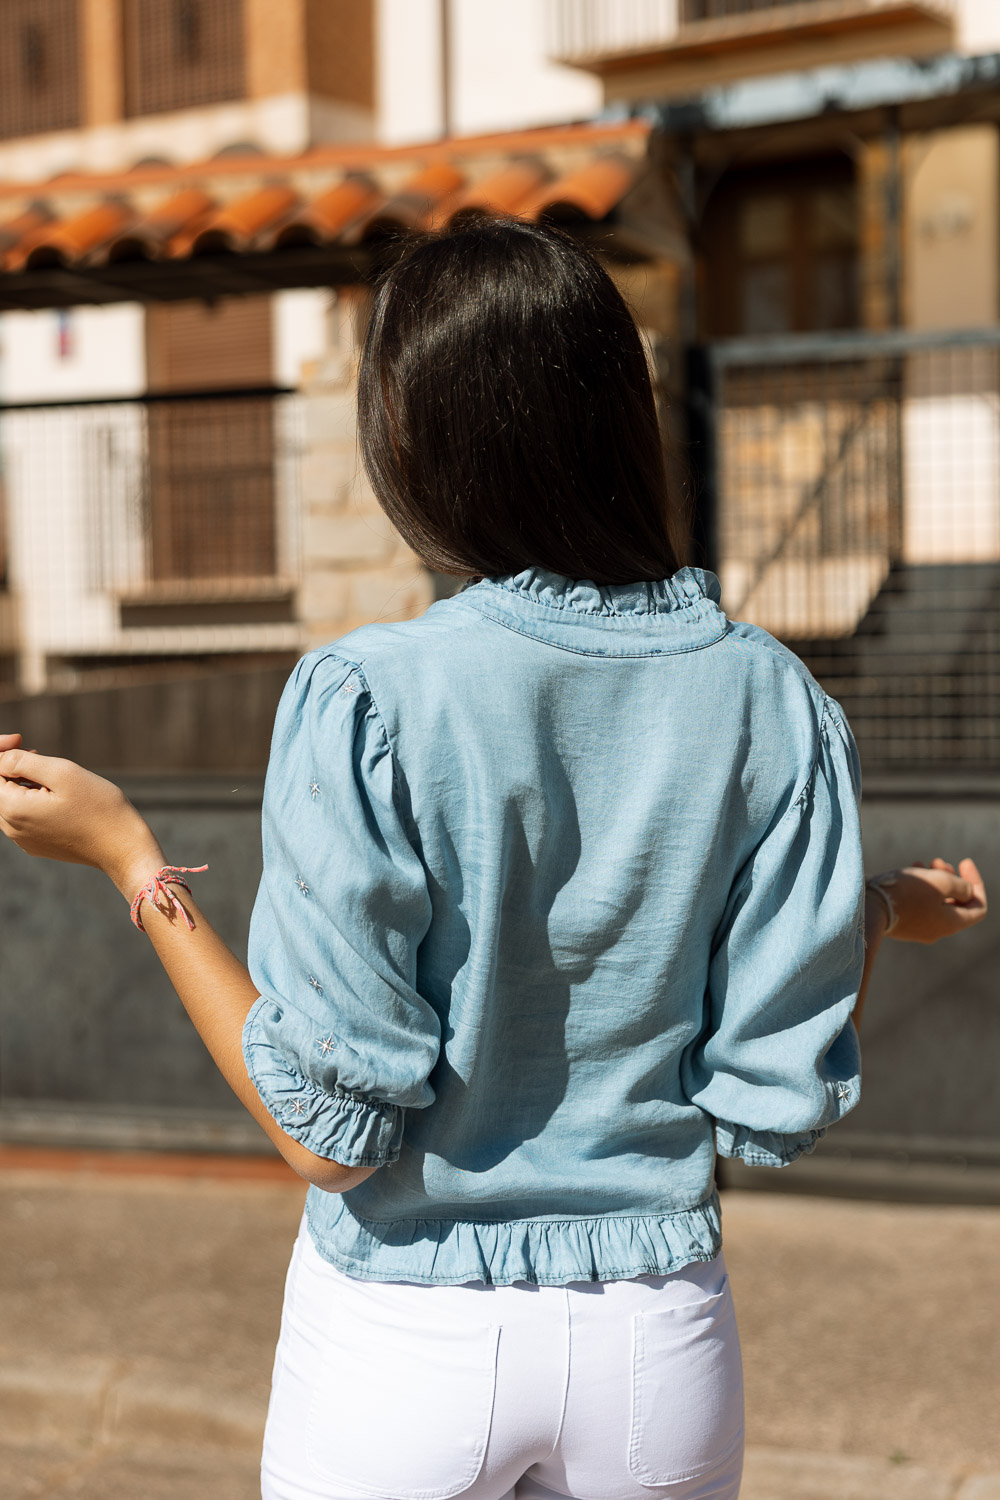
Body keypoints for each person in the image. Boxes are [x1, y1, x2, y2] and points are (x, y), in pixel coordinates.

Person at [0, 218, 988, 1500]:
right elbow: (769, 1090)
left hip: (405, 1346)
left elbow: (326, 1138)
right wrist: (883, 909)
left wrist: (126, 855)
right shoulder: (774, 699)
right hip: (657, 1347)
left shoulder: (370, 697)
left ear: (413, 439)